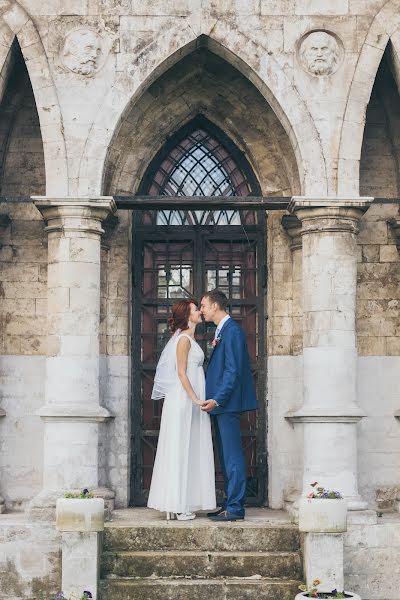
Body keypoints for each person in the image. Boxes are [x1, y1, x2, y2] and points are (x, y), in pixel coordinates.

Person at [147, 299, 216, 521]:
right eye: (196, 309)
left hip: (190, 400)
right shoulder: (183, 340)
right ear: (188, 315)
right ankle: (176, 503)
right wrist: (195, 398)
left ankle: (182, 500)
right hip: (183, 400)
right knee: (181, 446)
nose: (200, 312)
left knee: (189, 447)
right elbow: (181, 373)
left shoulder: (190, 338)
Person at [200, 289, 257, 521]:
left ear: (215, 305)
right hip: (220, 406)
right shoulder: (223, 330)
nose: (201, 310)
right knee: (225, 455)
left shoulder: (232, 331)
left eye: (203, 305)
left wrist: (218, 398)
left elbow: (232, 370)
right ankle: (228, 503)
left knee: (232, 456)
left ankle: (235, 507)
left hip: (227, 404)